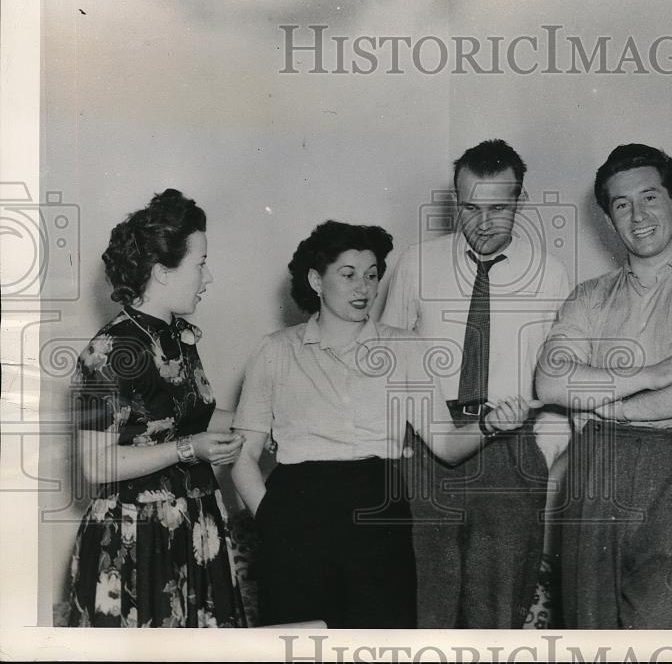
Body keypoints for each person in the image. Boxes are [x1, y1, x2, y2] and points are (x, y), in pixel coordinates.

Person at [230, 220, 534, 629]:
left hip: (378, 510)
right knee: (297, 649)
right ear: (316, 280)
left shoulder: (405, 347)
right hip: (295, 512)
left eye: (372, 276)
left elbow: (444, 443)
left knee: (379, 645)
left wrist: (491, 426)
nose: (364, 288)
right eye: (349, 275)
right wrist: (272, 519)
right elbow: (244, 456)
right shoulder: (275, 351)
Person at [536, 143, 672, 629]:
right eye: (621, 204)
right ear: (608, 218)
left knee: (665, 637)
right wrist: (649, 376)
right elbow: (551, 382)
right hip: (597, 466)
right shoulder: (589, 296)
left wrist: (613, 407)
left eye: (650, 197)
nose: (638, 215)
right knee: (587, 632)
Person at [381, 139, 571, 628]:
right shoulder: (416, 264)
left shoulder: (551, 276)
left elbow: (558, 377)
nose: (483, 223)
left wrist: (541, 453)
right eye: (470, 207)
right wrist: (395, 448)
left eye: (498, 208)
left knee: (498, 609)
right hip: (428, 447)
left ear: (520, 203)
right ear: (454, 201)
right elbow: (390, 364)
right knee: (427, 606)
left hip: (511, 451)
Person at [68, 189, 246, 627]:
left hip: (195, 525)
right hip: (136, 538)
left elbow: (190, 420)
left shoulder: (178, 337)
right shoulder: (108, 351)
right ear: (163, 271)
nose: (209, 278)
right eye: (201, 263)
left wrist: (264, 422)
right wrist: (190, 450)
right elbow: (95, 464)